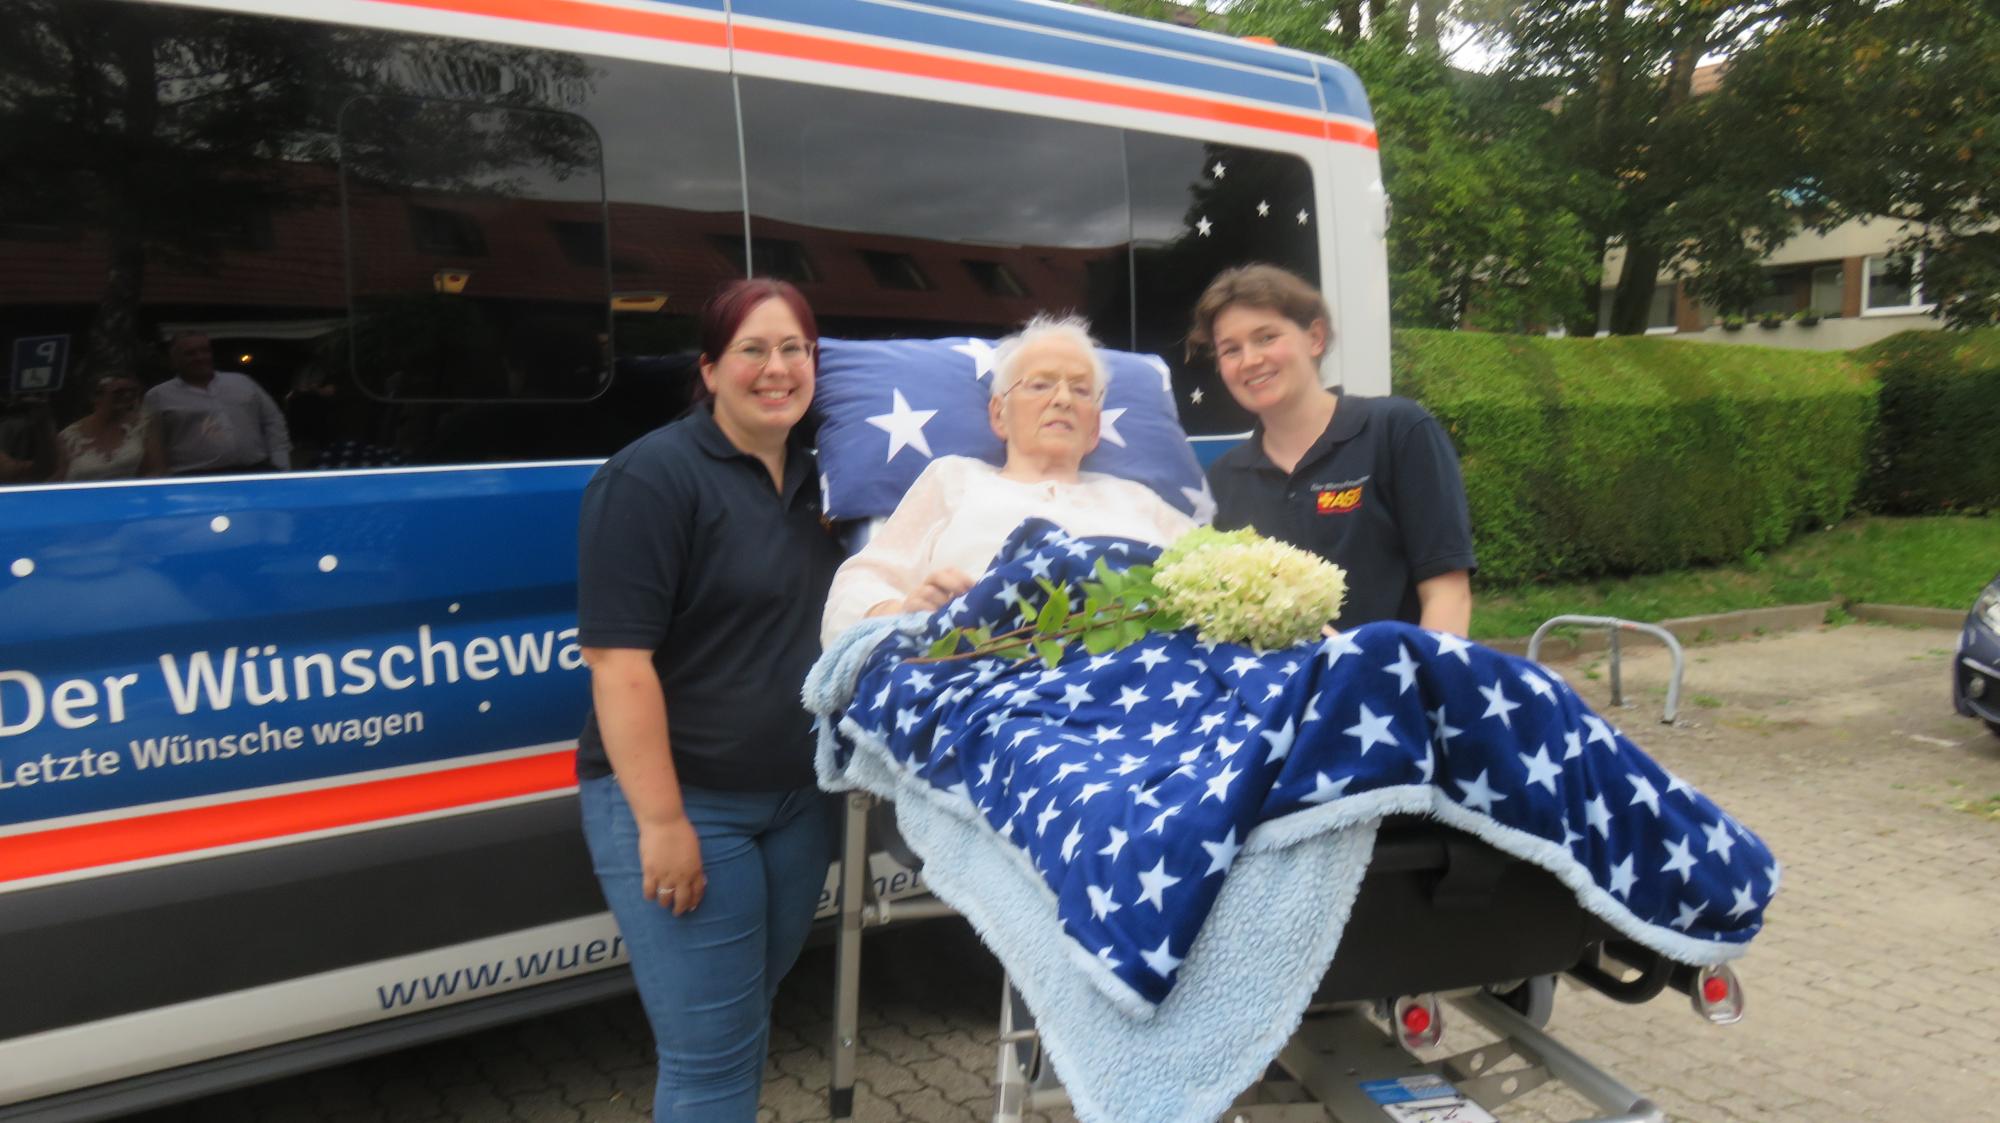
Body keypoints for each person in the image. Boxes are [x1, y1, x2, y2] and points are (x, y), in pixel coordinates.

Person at [574, 279, 843, 1122]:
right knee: (712, 1060)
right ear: (710, 369)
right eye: (752, 350)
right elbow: (619, 664)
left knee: (746, 1019)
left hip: (797, 801)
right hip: (688, 804)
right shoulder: (650, 478)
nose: (776, 368)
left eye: (794, 349)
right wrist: (661, 823)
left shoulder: (827, 476)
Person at [822, 313, 1197, 646]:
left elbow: (1214, 574)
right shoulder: (954, 481)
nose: (1063, 399)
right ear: (999, 414)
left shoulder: (1138, 500)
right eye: (1040, 385)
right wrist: (903, 610)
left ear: (1095, 428)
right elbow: (857, 587)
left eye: (1081, 390)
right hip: (989, 669)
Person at [1194, 264, 1475, 635]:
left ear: (1315, 338)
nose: (1250, 360)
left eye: (1266, 337)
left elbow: (1448, 596)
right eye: (1231, 350)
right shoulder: (1224, 479)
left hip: (1396, 671)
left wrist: (1417, 674)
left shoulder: (1396, 431)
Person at [145, 332, 292, 475]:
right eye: (190, 353)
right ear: (174, 359)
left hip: (254, 471)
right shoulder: (158, 396)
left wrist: (280, 462)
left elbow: (272, 420)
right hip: (195, 477)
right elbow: (152, 443)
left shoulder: (242, 382)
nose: (200, 357)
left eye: (204, 351)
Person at [59, 374, 164, 481]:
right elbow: (58, 477)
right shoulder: (69, 437)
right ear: (96, 397)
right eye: (119, 392)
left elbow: (157, 470)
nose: (127, 396)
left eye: (132, 391)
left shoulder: (144, 425)